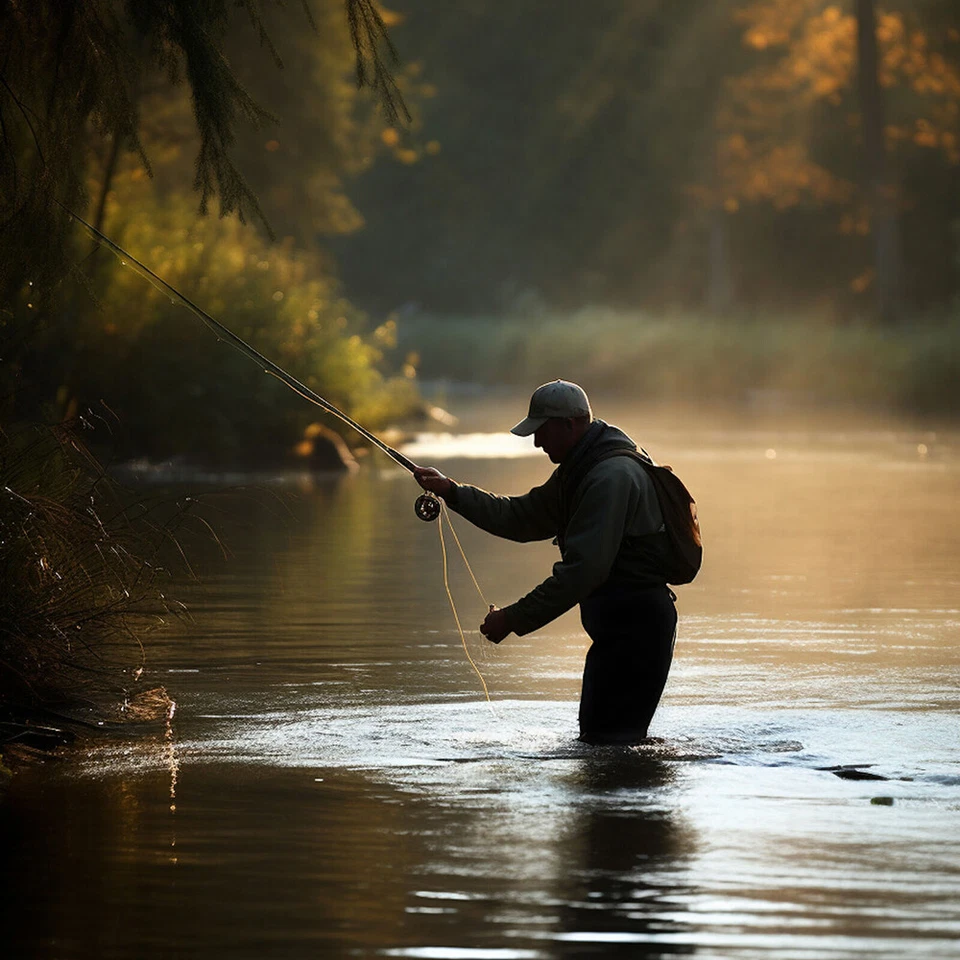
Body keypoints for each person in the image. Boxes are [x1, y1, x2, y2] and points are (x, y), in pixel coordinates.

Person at [413, 380, 678, 745]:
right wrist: (453, 492)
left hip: (637, 631)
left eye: (542, 431)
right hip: (620, 629)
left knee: (610, 745)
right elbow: (521, 517)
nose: (537, 443)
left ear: (569, 425)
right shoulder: (582, 468)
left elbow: (583, 572)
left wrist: (513, 618)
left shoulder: (609, 477)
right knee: (602, 746)